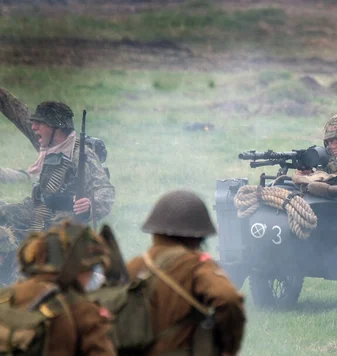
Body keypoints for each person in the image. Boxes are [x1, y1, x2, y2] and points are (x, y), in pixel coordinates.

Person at [0, 94, 115, 284]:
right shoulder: (48, 142)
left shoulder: (81, 155)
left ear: (57, 128)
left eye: (40, 123)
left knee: (31, 272)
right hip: (37, 211)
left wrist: (89, 204)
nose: (34, 127)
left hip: (61, 224)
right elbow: (18, 113)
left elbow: (105, 191)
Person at [127, 190, 246, 356]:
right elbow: (228, 298)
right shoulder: (198, 266)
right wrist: (228, 349)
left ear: (155, 231)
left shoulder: (134, 266)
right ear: (198, 236)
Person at [1, 219, 117, 355]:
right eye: (91, 268)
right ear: (77, 268)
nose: (91, 275)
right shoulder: (83, 310)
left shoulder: (6, 296)